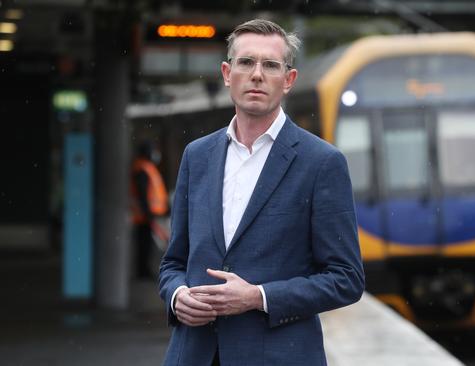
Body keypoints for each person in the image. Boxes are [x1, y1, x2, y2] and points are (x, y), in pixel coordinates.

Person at [158, 19, 365, 366]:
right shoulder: (197, 156)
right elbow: (173, 262)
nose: (256, 74)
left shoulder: (321, 163)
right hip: (193, 354)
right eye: (245, 62)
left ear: (288, 80)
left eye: (270, 65)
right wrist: (177, 295)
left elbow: (346, 279)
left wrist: (259, 297)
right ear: (227, 73)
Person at [131, 141, 168, 279]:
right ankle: (143, 272)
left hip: (148, 215)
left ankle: (144, 271)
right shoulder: (143, 169)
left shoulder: (147, 168)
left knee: (147, 245)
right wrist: (148, 213)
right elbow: (142, 193)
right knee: (145, 246)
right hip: (145, 216)